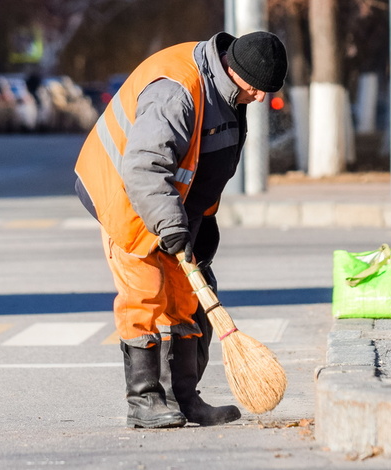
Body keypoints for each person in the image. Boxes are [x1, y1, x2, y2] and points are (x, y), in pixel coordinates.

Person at [74, 31, 287, 428]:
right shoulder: (177, 91)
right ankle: (144, 401)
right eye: (256, 89)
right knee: (145, 294)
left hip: (171, 201)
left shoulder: (228, 94)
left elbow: (206, 167)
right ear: (233, 69)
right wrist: (172, 226)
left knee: (186, 297)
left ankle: (183, 398)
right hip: (127, 193)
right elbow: (143, 167)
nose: (260, 98)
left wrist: (202, 222)